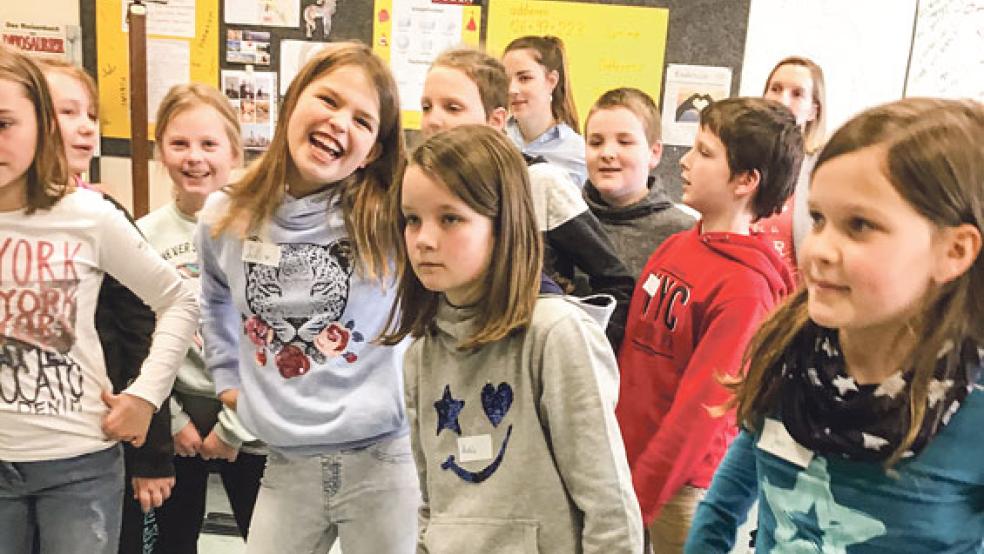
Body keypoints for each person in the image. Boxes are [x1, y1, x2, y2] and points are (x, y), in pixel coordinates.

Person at [686, 98, 984, 553]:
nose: (819, 249)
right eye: (819, 219)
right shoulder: (790, 352)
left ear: (955, 251)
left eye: (860, 225)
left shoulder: (974, 407)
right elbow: (724, 504)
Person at [196, 42, 419, 554]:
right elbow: (211, 296)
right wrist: (227, 378)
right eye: (329, 100)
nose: (341, 123)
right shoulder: (225, 217)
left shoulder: (389, 219)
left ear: (375, 151)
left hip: (383, 459)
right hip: (286, 459)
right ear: (293, 100)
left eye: (363, 121)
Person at [385, 124, 643, 552]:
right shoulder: (421, 354)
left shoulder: (556, 334)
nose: (424, 240)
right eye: (412, 220)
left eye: (450, 218)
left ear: (503, 225)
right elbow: (434, 503)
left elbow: (608, 504)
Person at [0, 45, 198, 554]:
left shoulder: (89, 215)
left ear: (40, 124)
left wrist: (146, 397)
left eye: (3, 122)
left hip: (78, 463)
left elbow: (177, 301)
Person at [616, 97, 801, 552]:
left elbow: (700, 412)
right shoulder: (678, 245)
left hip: (679, 491)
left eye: (704, 152)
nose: (686, 161)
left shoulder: (746, 288)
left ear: (745, 180)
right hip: (627, 469)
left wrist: (637, 499)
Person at [37, 56, 175, 552]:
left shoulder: (102, 215)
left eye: (90, 115)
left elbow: (146, 329)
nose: (86, 128)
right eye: (67, 112)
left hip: (92, 444)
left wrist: (151, 454)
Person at [419, 47, 634, 349]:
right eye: (426, 107)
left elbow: (616, 284)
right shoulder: (422, 190)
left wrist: (580, 353)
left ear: (495, 120)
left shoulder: (541, 182)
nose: (434, 121)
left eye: (452, 108)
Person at [138, 83, 266, 553]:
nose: (195, 157)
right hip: (175, 420)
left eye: (209, 144)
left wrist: (234, 428)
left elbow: (273, 337)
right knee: (173, 542)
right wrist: (171, 422)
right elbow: (137, 339)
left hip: (250, 422)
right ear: (161, 152)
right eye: (180, 143)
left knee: (274, 540)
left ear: (234, 151)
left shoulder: (264, 232)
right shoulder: (141, 236)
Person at [582, 87, 696, 280]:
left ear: (654, 152)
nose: (607, 153)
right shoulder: (567, 221)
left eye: (624, 142)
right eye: (595, 142)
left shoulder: (683, 236)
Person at [752, 56, 828, 275]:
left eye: (797, 94)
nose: (782, 101)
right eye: (775, 89)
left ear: (814, 111)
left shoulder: (822, 171)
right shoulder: (740, 159)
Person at [502, 35, 586, 186]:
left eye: (525, 78)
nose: (512, 89)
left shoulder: (579, 154)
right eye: (506, 80)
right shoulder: (496, 138)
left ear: (551, 81)